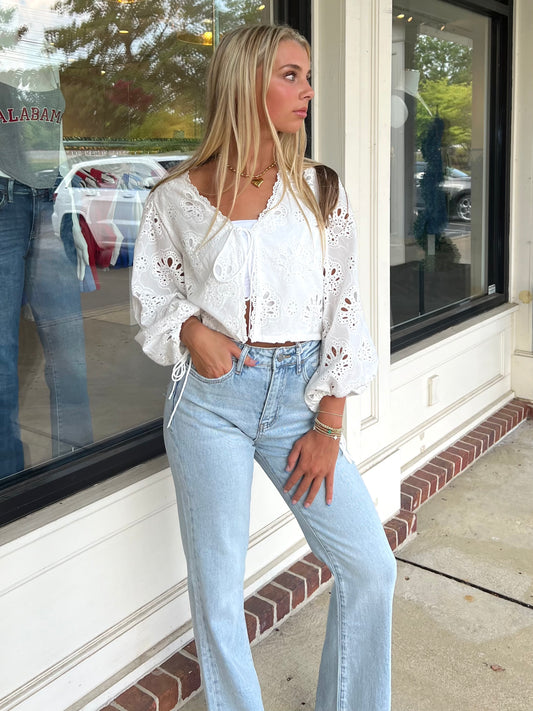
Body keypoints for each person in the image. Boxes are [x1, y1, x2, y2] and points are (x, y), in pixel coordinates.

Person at [132, 23, 397, 711]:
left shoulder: (318, 190)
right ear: (244, 80)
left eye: (306, 76)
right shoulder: (174, 200)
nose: (307, 90)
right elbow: (152, 299)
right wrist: (191, 330)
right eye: (290, 74)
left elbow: (345, 304)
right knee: (218, 590)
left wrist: (330, 420)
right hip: (209, 404)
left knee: (368, 567)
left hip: (297, 402)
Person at [0, 24, 93, 478]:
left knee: (69, 351)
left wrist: (71, 209)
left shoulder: (50, 62)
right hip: (2, 204)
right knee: (2, 352)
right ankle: (8, 479)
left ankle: (76, 468)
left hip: (52, 202)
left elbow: (55, 147)